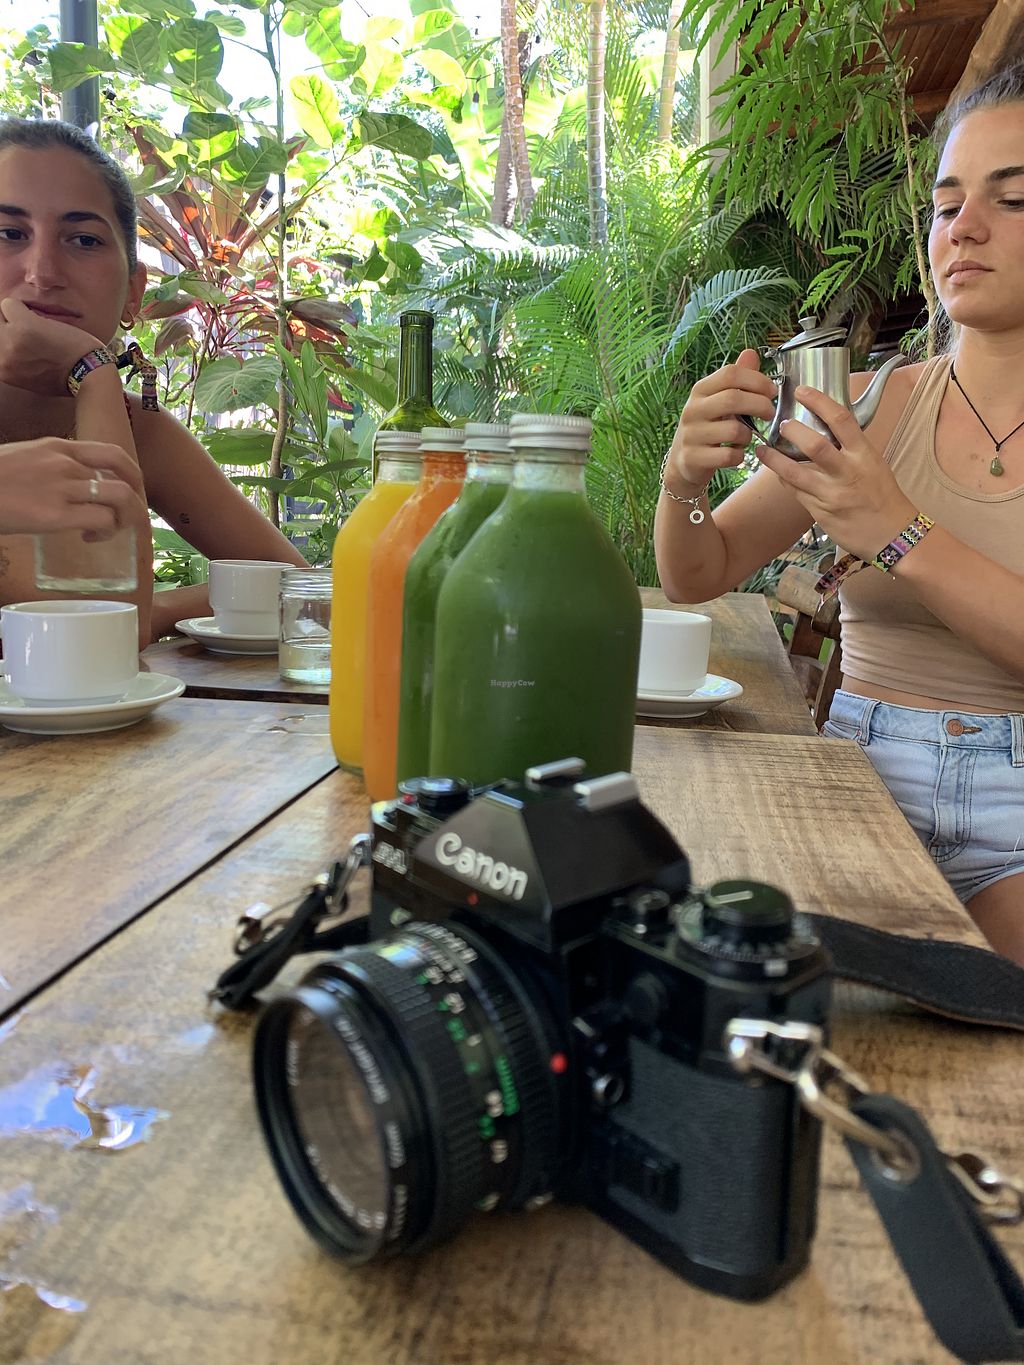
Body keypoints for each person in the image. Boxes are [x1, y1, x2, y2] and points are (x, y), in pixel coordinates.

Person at [655, 62, 1024, 964]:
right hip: (855, 777)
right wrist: (683, 482)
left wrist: (897, 531)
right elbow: (700, 571)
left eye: (1012, 198)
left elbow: (895, 535)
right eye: (946, 204)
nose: (963, 227)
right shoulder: (870, 406)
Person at [0, 118, 306, 644]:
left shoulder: (133, 423)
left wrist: (92, 374)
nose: (42, 272)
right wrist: (141, 613)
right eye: (9, 234)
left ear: (133, 293)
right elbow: (94, 630)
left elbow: (296, 584)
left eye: (84, 239)